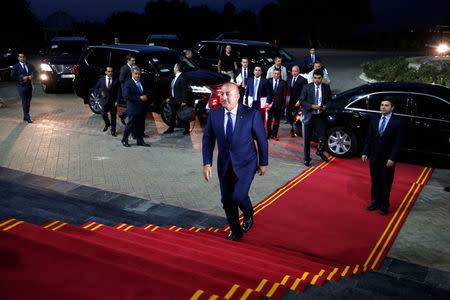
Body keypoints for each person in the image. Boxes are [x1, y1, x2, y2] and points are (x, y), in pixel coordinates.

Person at [202, 82, 268, 241]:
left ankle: (248, 214)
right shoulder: (215, 114)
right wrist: (207, 162)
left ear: (237, 96)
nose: (224, 97)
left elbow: (261, 139)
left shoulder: (251, 114)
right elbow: (208, 138)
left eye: (228, 94)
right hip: (224, 164)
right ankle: (235, 231)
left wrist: (263, 162)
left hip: (246, 163)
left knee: (239, 195)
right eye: (222, 94)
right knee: (226, 199)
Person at [362, 98, 404, 215]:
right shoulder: (375, 119)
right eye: (381, 105)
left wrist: (392, 158)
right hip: (374, 156)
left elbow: (398, 142)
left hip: (387, 158)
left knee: (386, 182)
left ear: (392, 108)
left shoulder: (398, 122)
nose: (383, 107)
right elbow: (369, 137)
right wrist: (365, 152)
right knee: (375, 181)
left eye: (386, 105)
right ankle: (374, 203)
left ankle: (384, 205)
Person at [298, 68, 331, 166]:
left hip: (320, 116)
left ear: (322, 78)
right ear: (313, 78)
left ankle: (320, 151)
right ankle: (306, 159)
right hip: (309, 116)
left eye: (319, 78)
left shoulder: (326, 88)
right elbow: (302, 101)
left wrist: (325, 107)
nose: (317, 80)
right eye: (315, 78)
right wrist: (312, 106)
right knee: (306, 139)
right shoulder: (307, 87)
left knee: (323, 136)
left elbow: (330, 101)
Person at [121, 67, 150, 147]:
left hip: (142, 108)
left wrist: (147, 96)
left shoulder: (142, 82)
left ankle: (140, 140)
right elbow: (126, 96)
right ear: (132, 73)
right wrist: (139, 98)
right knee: (130, 125)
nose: (138, 76)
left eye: (139, 74)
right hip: (133, 108)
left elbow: (147, 91)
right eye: (136, 74)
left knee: (140, 125)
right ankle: (124, 139)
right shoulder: (128, 83)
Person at [93, 66, 121, 136]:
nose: (110, 73)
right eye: (109, 71)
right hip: (104, 100)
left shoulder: (116, 80)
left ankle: (113, 130)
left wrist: (117, 100)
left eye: (111, 71)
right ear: (105, 72)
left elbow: (119, 91)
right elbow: (95, 88)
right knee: (103, 114)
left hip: (113, 101)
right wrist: (100, 93)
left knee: (113, 116)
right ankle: (107, 123)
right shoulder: (101, 80)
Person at [164, 63, 191, 135]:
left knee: (183, 114)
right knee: (173, 114)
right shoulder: (175, 77)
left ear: (177, 68)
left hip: (180, 100)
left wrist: (184, 101)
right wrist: (170, 97)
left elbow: (184, 90)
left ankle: (187, 129)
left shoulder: (182, 78)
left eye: (174, 67)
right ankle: (171, 128)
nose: (173, 68)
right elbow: (173, 88)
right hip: (174, 100)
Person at [10, 53, 36, 123]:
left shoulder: (29, 65)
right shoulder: (16, 66)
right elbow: (12, 76)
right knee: (24, 101)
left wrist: (32, 76)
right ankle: (27, 117)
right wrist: (21, 78)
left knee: (28, 102)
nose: (22, 58)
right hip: (21, 86)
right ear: (18, 58)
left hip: (29, 85)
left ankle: (25, 116)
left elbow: (36, 73)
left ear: (25, 57)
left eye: (23, 57)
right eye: (21, 57)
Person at [286, 65, 307, 137]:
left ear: (298, 71)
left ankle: (294, 129)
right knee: (288, 115)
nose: (294, 73)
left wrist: (300, 100)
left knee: (296, 116)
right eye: (293, 71)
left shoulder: (303, 80)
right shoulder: (289, 78)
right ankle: (292, 125)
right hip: (289, 101)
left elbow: (304, 92)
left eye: (295, 71)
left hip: (297, 101)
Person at [267, 69, 288, 140]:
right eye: (275, 73)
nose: (276, 75)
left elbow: (285, 95)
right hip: (269, 103)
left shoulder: (283, 83)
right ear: (273, 73)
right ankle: (268, 134)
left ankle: (274, 134)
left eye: (278, 74)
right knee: (269, 120)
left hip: (279, 104)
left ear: (280, 74)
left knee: (277, 120)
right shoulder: (268, 81)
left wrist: (284, 106)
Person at [118, 54, 136, 126]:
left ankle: (123, 116)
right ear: (128, 61)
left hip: (133, 90)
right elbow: (121, 79)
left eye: (134, 60)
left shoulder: (134, 67)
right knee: (131, 107)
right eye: (132, 60)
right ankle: (130, 125)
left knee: (132, 107)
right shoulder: (124, 68)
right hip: (127, 91)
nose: (134, 62)